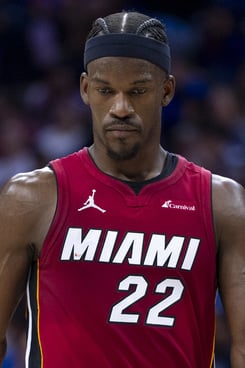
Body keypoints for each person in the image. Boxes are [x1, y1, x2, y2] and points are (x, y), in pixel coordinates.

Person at [0, 10, 244, 368]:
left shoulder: (222, 203)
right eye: (105, 90)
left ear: (166, 90)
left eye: (138, 91)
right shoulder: (33, 198)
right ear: (85, 89)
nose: (121, 108)